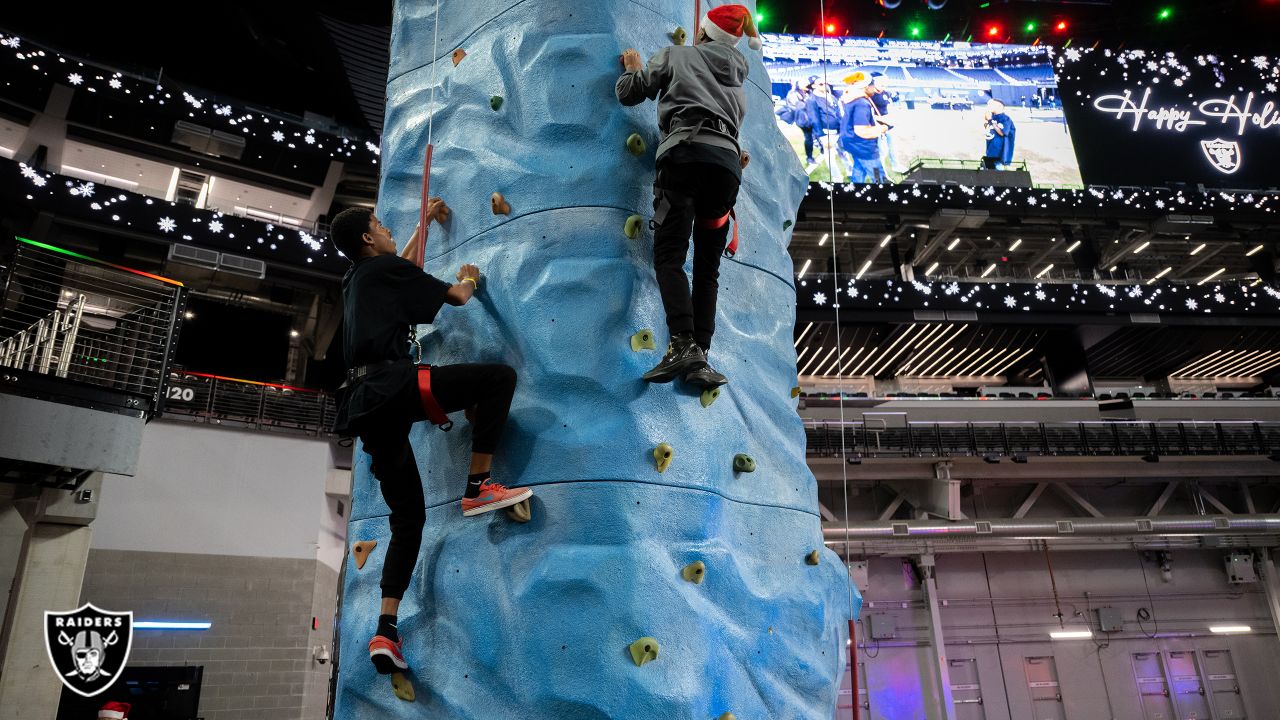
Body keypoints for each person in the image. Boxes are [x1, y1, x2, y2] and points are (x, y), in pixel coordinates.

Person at [329, 202, 532, 675]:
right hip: (395, 386)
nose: (386, 229)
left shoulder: (356, 278)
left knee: (408, 519)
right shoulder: (384, 269)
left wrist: (424, 225)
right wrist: (471, 279)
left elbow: (403, 266)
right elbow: (456, 297)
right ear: (366, 239)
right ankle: (478, 487)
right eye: (379, 227)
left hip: (365, 403)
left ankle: (386, 629)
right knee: (498, 379)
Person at [615, 4, 761, 388]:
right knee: (707, 266)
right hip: (725, 172)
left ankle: (682, 344)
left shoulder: (676, 55)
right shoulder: (738, 87)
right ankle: (701, 357)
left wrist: (632, 69)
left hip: (683, 160)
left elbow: (630, 94)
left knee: (669, 254)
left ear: (702, 33)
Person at [838, 72, 887, 183]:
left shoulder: (852, 99)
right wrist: (884, 128)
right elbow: (862, 131)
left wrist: (879, 120)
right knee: (878, 175)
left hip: (853, 143)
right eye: (873, 86)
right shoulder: (861, 103)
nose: (875, 89)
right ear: (866, 86)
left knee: (859, 168)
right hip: (863, 146)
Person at [868, 72, 904, 174]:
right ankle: (880, 172)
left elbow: (889, 107)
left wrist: (892, 118)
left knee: (893, 147)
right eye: (881, 82)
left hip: (889, 125)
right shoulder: (870, 95)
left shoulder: (885, 92)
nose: (884, 84)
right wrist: (882, 119)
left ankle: (896, 166)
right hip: (878, 126)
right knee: (882, 151)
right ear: (873, 82)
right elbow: (868, 114)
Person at [804, 77, 839, 168]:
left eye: (825, 83)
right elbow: (814, 119)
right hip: (827, 132)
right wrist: (823, 137)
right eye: (821, 84)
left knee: (843, 153)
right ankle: (836, 179)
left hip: (839, 130)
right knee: (830, 157)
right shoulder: (811, 99)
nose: (824, 85)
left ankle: (849, 171)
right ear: (814, 86)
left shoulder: (831, 96)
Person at [982, 98, 1016, 170]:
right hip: (990, 151)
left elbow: (1002, 133)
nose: (989, 106)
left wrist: (990, 120)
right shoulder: (992, 117)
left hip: (1000, 153)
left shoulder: (1005, 119)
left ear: (999, 106)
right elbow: (987, 129)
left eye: (992, 105)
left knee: (998, 173)